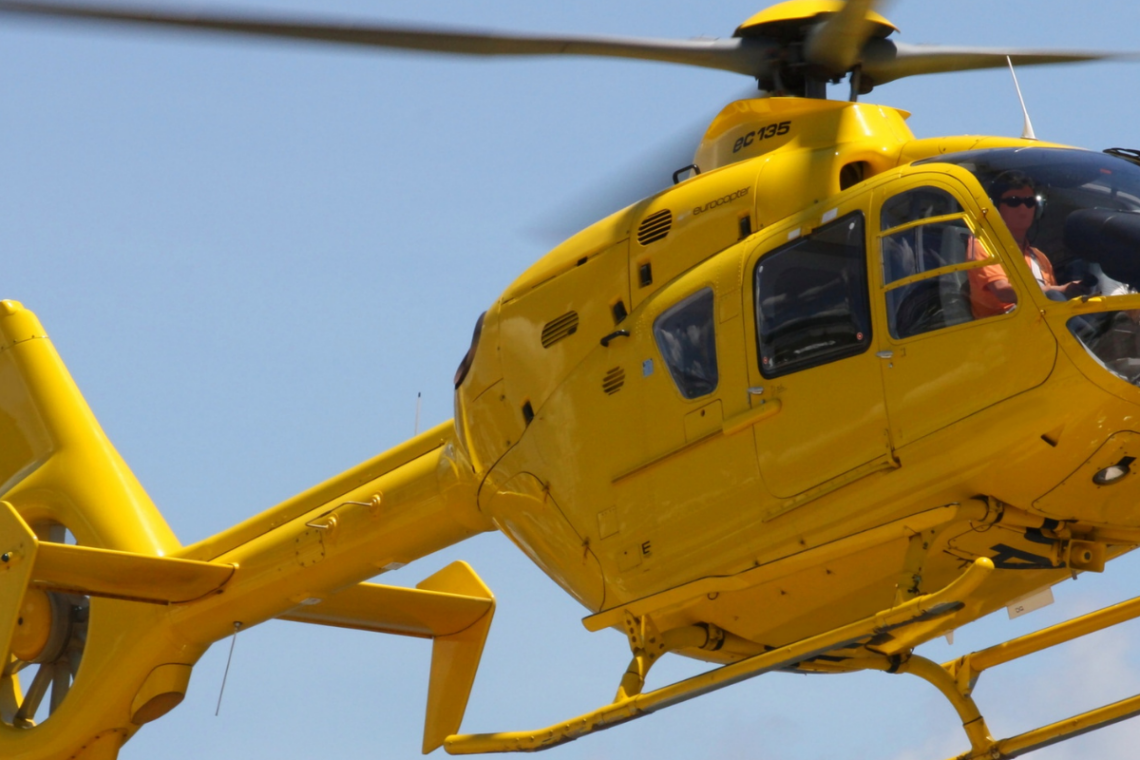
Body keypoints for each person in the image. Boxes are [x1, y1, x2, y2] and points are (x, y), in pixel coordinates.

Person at [967, 171, 1085, 318]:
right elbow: (1002, 290)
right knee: (1054, 296)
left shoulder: (1039, 257)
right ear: (995, 208)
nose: (1023, 209)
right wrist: (1058, 290)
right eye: (1014, 201)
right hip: (1002, 328)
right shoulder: (982, 245)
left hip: (1040, 323)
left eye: (1030, 202)